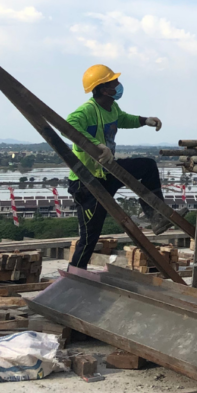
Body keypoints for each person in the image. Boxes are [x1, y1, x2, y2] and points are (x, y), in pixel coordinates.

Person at [67, 64, 168, 268]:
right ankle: (75, 273)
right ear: (104, 89)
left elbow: (122, 119)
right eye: (114, 82)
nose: (119, 85)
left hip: (107, 171)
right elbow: (69, 126)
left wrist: (144, 120)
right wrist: (96, 145)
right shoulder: (88, 110)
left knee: (148, 166)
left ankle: (155, 215)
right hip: (88, 182)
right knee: (90, 236)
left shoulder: (112, 108)